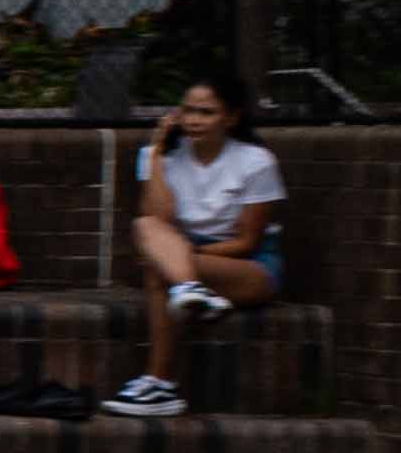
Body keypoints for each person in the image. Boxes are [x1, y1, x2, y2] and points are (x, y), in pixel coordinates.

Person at [109, 76, 284, 418]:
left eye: (206, 112)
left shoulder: (256, 161)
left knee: (160, 268)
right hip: (183, 255)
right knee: (144, 225)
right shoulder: (161, 157)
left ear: (230, 118)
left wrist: (181, 257)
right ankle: (189, 291)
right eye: (187, 110)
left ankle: (159, 383)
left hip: (248, 267)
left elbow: (246, 242)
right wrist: (157, 153)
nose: (193, 120)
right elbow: (157, 218)